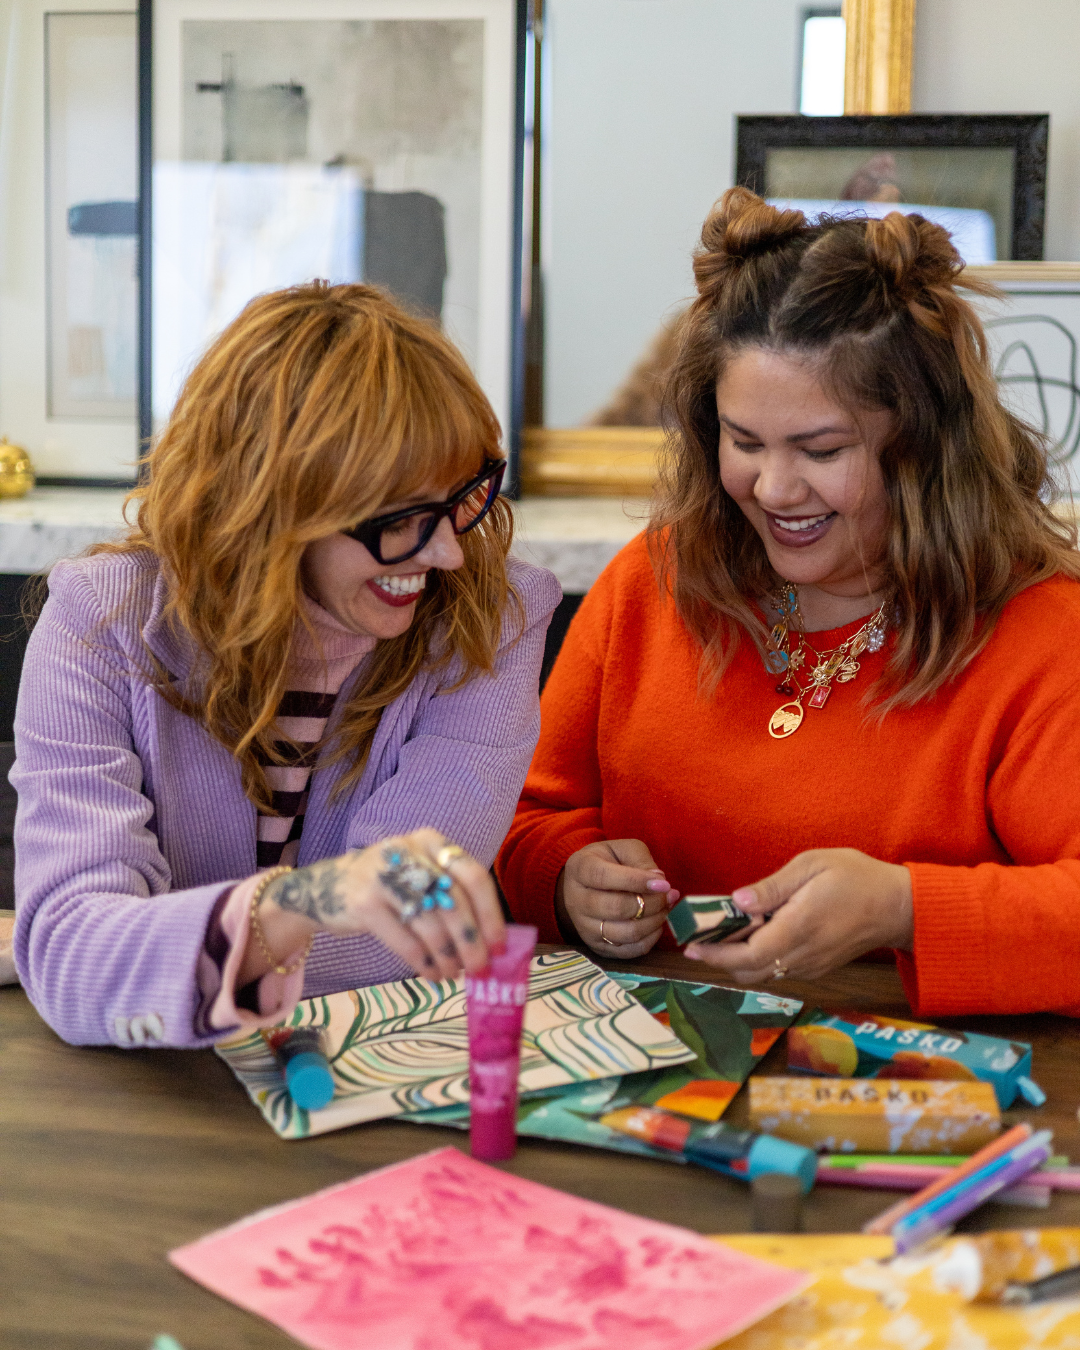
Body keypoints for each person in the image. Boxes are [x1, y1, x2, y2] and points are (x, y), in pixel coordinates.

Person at [498, 187, 1080, 1017]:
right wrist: (563, 878)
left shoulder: (1041, 632)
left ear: (922, 446)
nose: (773, 488)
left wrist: (905, 909)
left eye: (821, 449)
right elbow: (516, 817)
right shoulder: (652, 578)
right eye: (744, 442)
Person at [12, 281, 560, 1047]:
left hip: (371, 1073)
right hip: (166, 1106)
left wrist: (151, 948)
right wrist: (318, 898)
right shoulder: (101, 622)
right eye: (401, 519)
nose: (447, 552)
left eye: (458, 497)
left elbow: (409, 938)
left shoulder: (490, 622)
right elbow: (73, 968)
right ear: (267, 508)